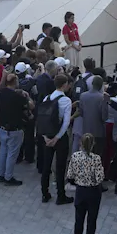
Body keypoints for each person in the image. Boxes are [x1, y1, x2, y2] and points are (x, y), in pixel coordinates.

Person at [66, 133, 105, 234]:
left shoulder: (75, 156)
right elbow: (100, 178)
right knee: (91, 223)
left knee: (79, 221)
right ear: (93, 144)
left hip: (80, 192)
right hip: (93, 192)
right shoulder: (96, 159)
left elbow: (70, 175)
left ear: (80, 144)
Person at [40, 74, 74, 204]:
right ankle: (61, 195)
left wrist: (45, 137)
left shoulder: (47, 98)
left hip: (47, 135)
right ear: (64, 85)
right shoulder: (66, 101)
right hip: (60, 137)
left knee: (46, 166)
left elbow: (42, 119)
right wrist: (57, 138)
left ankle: (45, 193)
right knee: (60, 167)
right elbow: (66, 123)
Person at [0, 74, 32, 186]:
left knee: (3, 151)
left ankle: (1, 175)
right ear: (15, 82)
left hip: (2, 127)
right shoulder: (19, 97)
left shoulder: (2, 93)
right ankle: (8, 177)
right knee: (12, 154)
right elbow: (31, 106)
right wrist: (27, 96)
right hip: (14, 129)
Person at [78, 75, 109, 167]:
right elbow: (104, 117)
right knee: (97, 157)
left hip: (86, 130)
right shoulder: (102, 98)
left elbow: (81, 112)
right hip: (99, 132)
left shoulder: (83, 96)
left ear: (92, 84)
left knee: (86, 155)